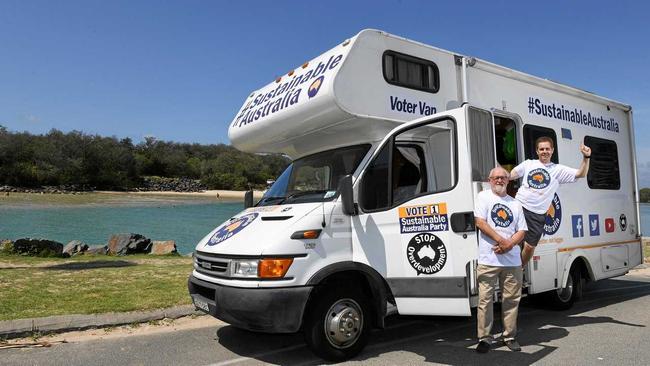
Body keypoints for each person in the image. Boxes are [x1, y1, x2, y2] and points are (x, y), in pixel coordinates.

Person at [510, 137, 591, 265]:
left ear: (552, 150)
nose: (544, 151)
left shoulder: (558, 169)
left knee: (530, 247)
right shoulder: (528, 164)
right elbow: (510, 175)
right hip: (519, 206)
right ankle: (508, 267)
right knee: (510, 239)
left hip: (537, 214)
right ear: (537, 151)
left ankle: (520, 266)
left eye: (547, 149)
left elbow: (581, 174)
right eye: (541, 149)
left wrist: (586, 157)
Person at [474, 167, 528, 353]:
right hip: (488, 260)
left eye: (503, 177)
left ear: (508, 181)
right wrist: (501, 241)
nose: (499, 180)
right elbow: (480, 222)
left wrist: (509, 245)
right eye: (496, 177)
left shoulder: (515, 204)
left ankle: (510, 336)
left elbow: (522, 231)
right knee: (485, 301)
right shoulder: (483, 197)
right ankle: (485, 338)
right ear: (490, 180)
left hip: (512, 261)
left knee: (511, 300)